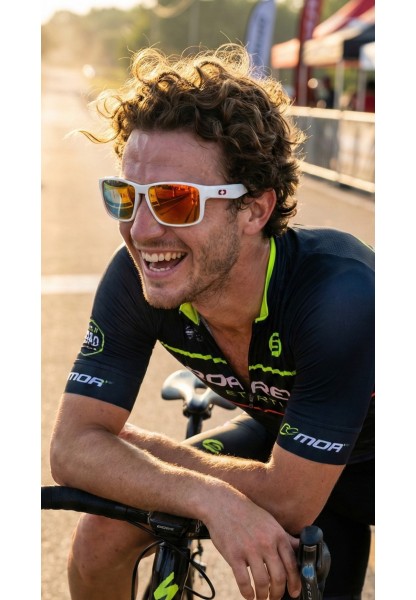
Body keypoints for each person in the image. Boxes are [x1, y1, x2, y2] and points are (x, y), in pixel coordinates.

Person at [49, 44, 374, 600]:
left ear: (255, 209)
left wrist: (129, 450)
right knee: (101, 535)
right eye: (127, 197)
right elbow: (72, 448)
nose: (142, 231)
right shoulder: (142, 273)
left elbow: (290, 500)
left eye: (176, 201)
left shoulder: (340, 294)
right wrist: (209, 496)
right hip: (286, 448)